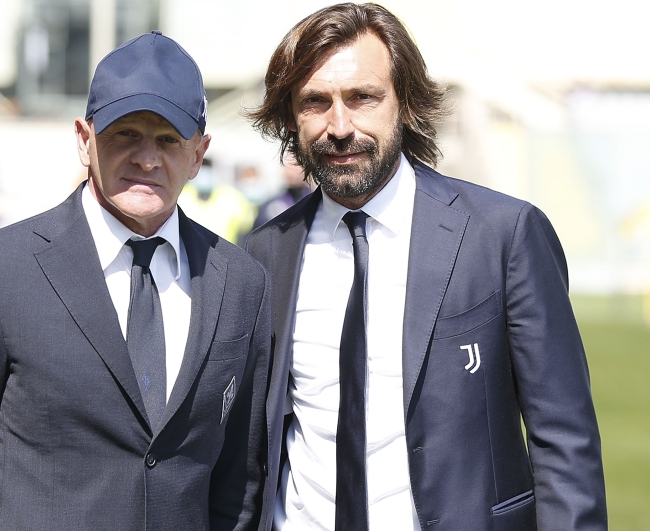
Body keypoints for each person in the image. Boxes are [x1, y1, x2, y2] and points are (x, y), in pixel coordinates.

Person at [244, 4, 607, 530]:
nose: (339, 126)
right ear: (290, 117)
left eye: (363, 98)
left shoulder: (502, 237)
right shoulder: (264, 254)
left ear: (405, 103)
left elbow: (565, 443)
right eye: (315, 102)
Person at [0, 31, 271, 531]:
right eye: (126, 134)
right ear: (85, 140)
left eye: (168, 139)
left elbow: (240, 481)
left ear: (198, 153)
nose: (147, 158)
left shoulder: (242, 284)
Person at [253, 158, 311, 229]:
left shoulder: (316, 200)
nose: (292, 171)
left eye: (296, 165)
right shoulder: (272, 204)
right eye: (288, 167)